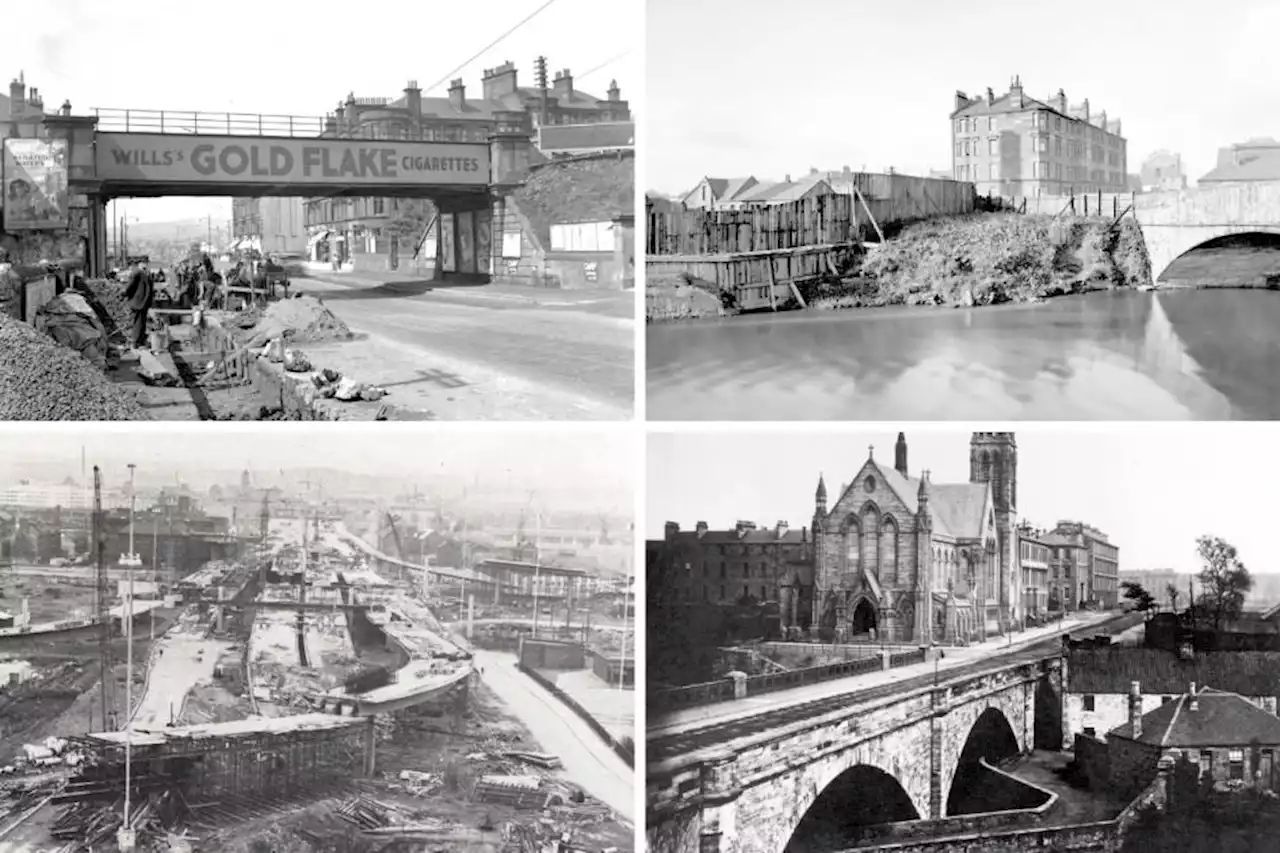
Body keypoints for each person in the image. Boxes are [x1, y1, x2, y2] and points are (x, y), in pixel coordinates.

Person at [123, 259, 154, 350]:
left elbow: (130, 287)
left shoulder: (141, 273)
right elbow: (130, 286)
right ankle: (138, 342)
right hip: (141, 302)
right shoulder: (142, 273)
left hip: (140, 302)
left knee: (139, 322)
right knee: (140, 322)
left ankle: (137, 342)